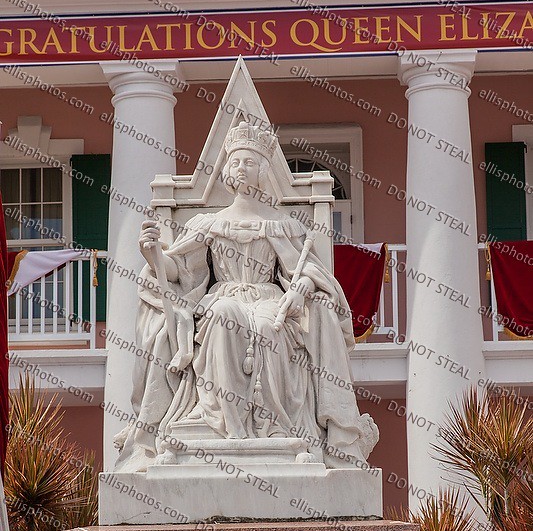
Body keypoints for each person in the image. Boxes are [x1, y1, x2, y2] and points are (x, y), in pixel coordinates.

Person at [115, 122, 378, 471]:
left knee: (271, 328)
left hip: (269, 298)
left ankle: (274, 428)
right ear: (227, 169)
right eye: (236, 161)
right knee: (224, 314)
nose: (242, 167)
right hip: (223, 296)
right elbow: (180, 269)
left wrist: (301, 287)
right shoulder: (209, 223)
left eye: (249, 162)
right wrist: (152, 255)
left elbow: (308, 272)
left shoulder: (283, 225)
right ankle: (228, 423)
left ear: (262, 170)